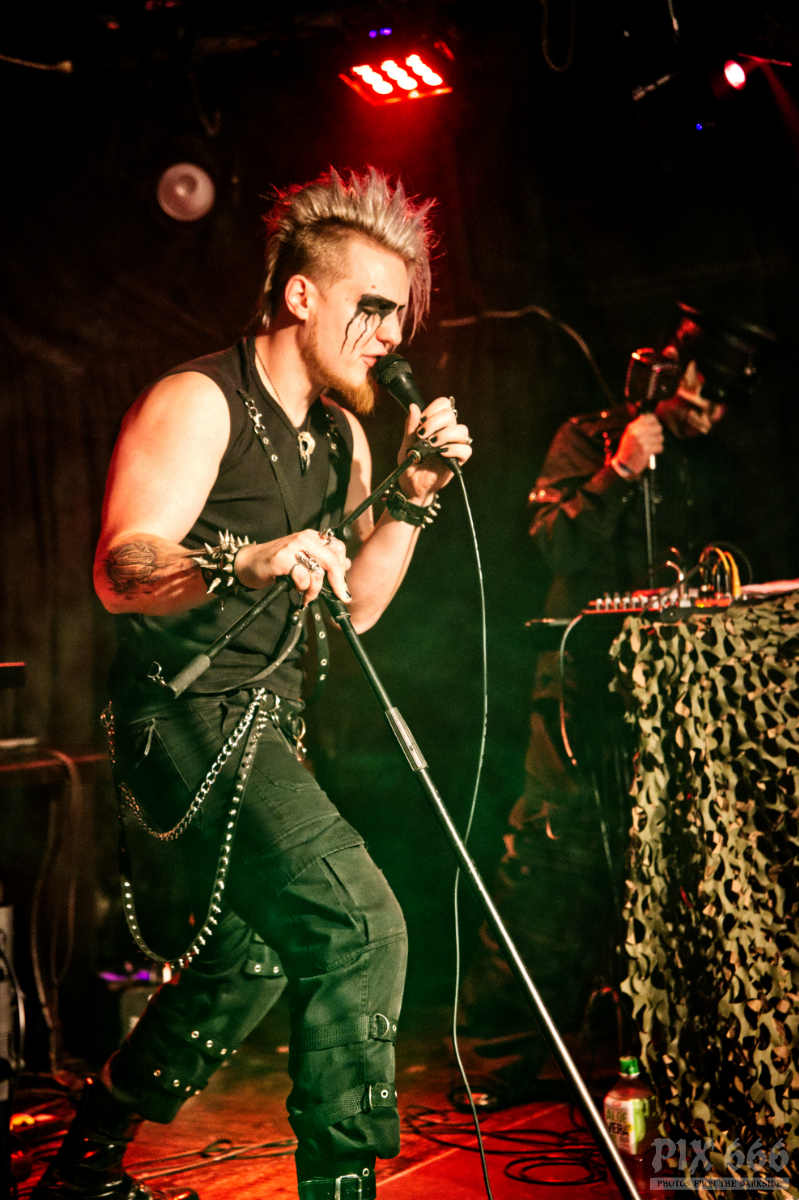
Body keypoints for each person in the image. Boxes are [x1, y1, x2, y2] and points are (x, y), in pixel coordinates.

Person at [33, 168, 471, 1200]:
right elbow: (121, 570)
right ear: (300, 295)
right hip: (180, 709)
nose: (388, 335)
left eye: (399, 318)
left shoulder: (343, 436)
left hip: (270, 717)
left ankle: (84, 1165)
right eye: (372, 308)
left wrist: (410, 497)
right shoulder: (199, 400)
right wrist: (247, 559)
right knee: (359, 924)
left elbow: (359, 608)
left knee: (251, 957)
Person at [452, 309, 767, 1113]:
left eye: (726, 402)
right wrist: (619, 471)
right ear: (674, 372)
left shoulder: (712, 465)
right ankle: (494, 1059)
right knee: (547, 861)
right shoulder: (589, 438)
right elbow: (550, 545)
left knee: (678, 866)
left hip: (681, 697)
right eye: (705, 391)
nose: (711, 412)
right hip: (580, 689)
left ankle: (670, 1057)